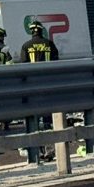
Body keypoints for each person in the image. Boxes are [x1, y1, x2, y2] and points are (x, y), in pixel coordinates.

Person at [18, 21, 59, 164]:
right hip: (48, 85)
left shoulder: (26, 46)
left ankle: (36, 151)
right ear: (42, 31)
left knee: (33, 118)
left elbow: (23, 66)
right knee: (48, 119)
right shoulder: (49, 44)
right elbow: (56, 62)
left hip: (33, 86)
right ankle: (50, 150)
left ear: (31, 32)